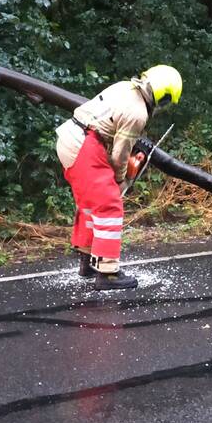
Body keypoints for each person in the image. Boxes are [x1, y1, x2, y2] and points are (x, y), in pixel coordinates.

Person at [55, 65, 182, 290]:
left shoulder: (124, 87)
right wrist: (121, 178)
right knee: (109, 207)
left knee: (90, 204)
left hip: (71, 137)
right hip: (85, 144)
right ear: (163, 97)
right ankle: (107, 273)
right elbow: (120, 154)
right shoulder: (138, 113)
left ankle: (88, 260)